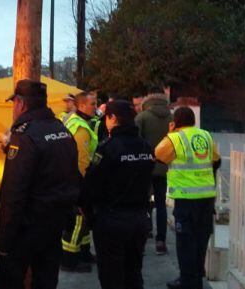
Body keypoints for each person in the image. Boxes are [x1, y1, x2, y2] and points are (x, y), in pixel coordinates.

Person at [0, 80, 80, 289]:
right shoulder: (62, 131)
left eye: (14, 103)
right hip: (54, 225)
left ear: (21, 104)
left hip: (26, 228)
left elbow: (13, 193)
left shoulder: (24, 136)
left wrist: (4, 240)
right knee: (46, 280)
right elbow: (71, 176)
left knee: (10, 281)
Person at [81, 100, 154, 289]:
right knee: (134, 274)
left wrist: (88, 214)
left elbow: (91, 185)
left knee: (112, 277)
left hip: (112, 221)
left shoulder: (108, 148)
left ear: (112, 118)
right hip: (139, 219)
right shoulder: (146, 147)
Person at [155, 107, 221, 289]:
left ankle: (187, 281)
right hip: (207, 198)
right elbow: (217, 160)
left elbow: (159, 155)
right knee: (201, 240)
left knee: (186, 242)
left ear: (175, 121)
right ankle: (197, 277)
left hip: (186, 199)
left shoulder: (175, 137)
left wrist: (171, 132)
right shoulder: (205, 135)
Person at [60, 91, 98, 272]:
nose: (95, 107)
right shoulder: (81, 127)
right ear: (82, 106)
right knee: (78, 220)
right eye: (92, 104)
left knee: (84, 219)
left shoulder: (72, 120)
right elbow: (82, 160)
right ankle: (69, 259)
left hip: (69, 177)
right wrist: (83, 187)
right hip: (78, 179)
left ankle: (84, 252)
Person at [135, 90, 173, 255]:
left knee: (142, 203)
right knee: (161, 205)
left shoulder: (142, 117)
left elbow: (135, 141)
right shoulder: (172, 118)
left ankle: (142, 237)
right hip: (164, 167)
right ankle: (161, 241)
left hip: (145, 166)